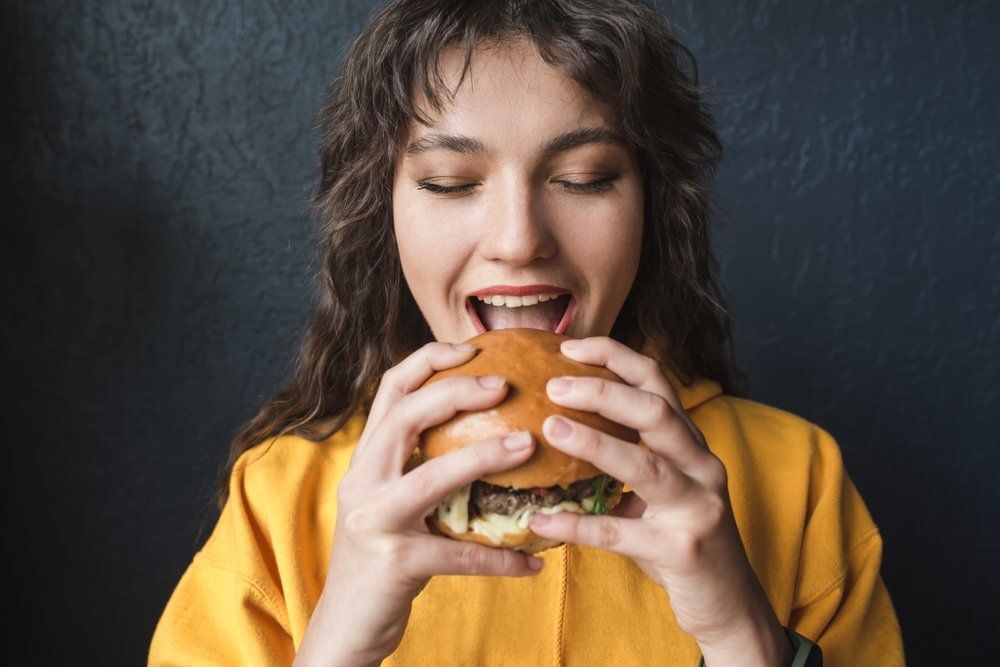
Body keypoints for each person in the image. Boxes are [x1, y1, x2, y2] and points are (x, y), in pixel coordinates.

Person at [149, 0, 904, 664]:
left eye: (582, 177)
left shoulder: (796, 480)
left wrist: (744, 641)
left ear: (652, 208)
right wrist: (337, 646)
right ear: (385, 214)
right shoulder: (281, 499)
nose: (518, 240)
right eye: (451, 183)